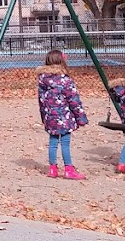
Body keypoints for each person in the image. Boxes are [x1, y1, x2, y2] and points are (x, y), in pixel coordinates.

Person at [37, 48, 88, 179]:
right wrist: (81, 118)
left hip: (50, 117)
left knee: (53, 142)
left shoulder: (43, 81)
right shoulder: (65, 80)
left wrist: (44, 117)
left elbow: (41, 101)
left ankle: (53, 169)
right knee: (65, 143)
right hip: (64, 117)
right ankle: (68, 169)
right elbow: (74, 101)